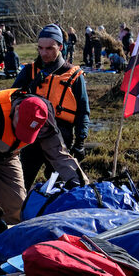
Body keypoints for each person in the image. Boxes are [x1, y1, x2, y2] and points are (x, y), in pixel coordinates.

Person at [0, 89, 84, 235]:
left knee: (18, 209)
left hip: (6, 155)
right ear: (18, 109)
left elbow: (59, 153)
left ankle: (9, 248)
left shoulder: (43, 115)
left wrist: (82, 186)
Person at [14, 24, 90, 186]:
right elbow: (13, 98)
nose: (44, 53)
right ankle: (19, 210)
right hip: (32, 135)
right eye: (40, 48)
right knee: (22, 183)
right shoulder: (30, 71)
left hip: (61, 137)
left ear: (60, 47)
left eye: (49, 48)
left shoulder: (75, 75)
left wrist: (80, 141)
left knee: (60, 186)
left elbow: (83, 111)